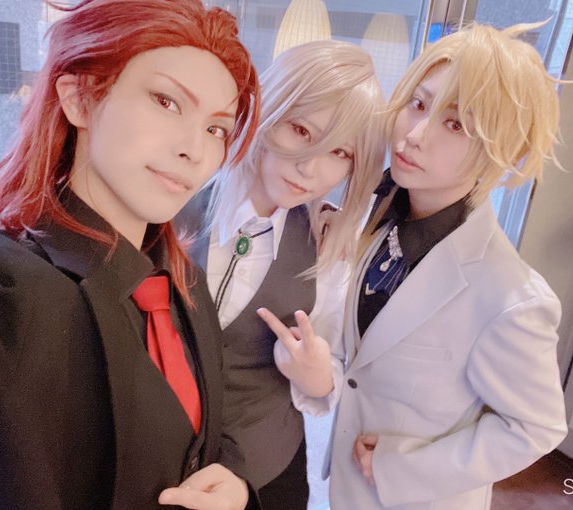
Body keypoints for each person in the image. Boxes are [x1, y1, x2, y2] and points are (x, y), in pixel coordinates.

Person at [0, 0, 261, 509]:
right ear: (79, 98)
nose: (195, 150)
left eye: (216, 129)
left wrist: (235, 489)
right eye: (166, 102)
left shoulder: (185, 285)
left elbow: (206, 435)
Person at [262, 22, 569, 510]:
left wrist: (405, 467)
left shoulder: (511, 298)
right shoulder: (376, 222)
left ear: (502, 150)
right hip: (339, 491)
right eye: (419, 104)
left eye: (456, 125)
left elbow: (538, 427)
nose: (415, 135)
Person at [176, 39, 385, 510]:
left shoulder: (330, 250)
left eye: (340, 153)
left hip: (265, 471)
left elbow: (331, 369)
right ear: (269, 109)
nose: (311, 167)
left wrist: (316, 376)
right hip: (158, 454)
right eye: (301, 129)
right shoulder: (172, 203)